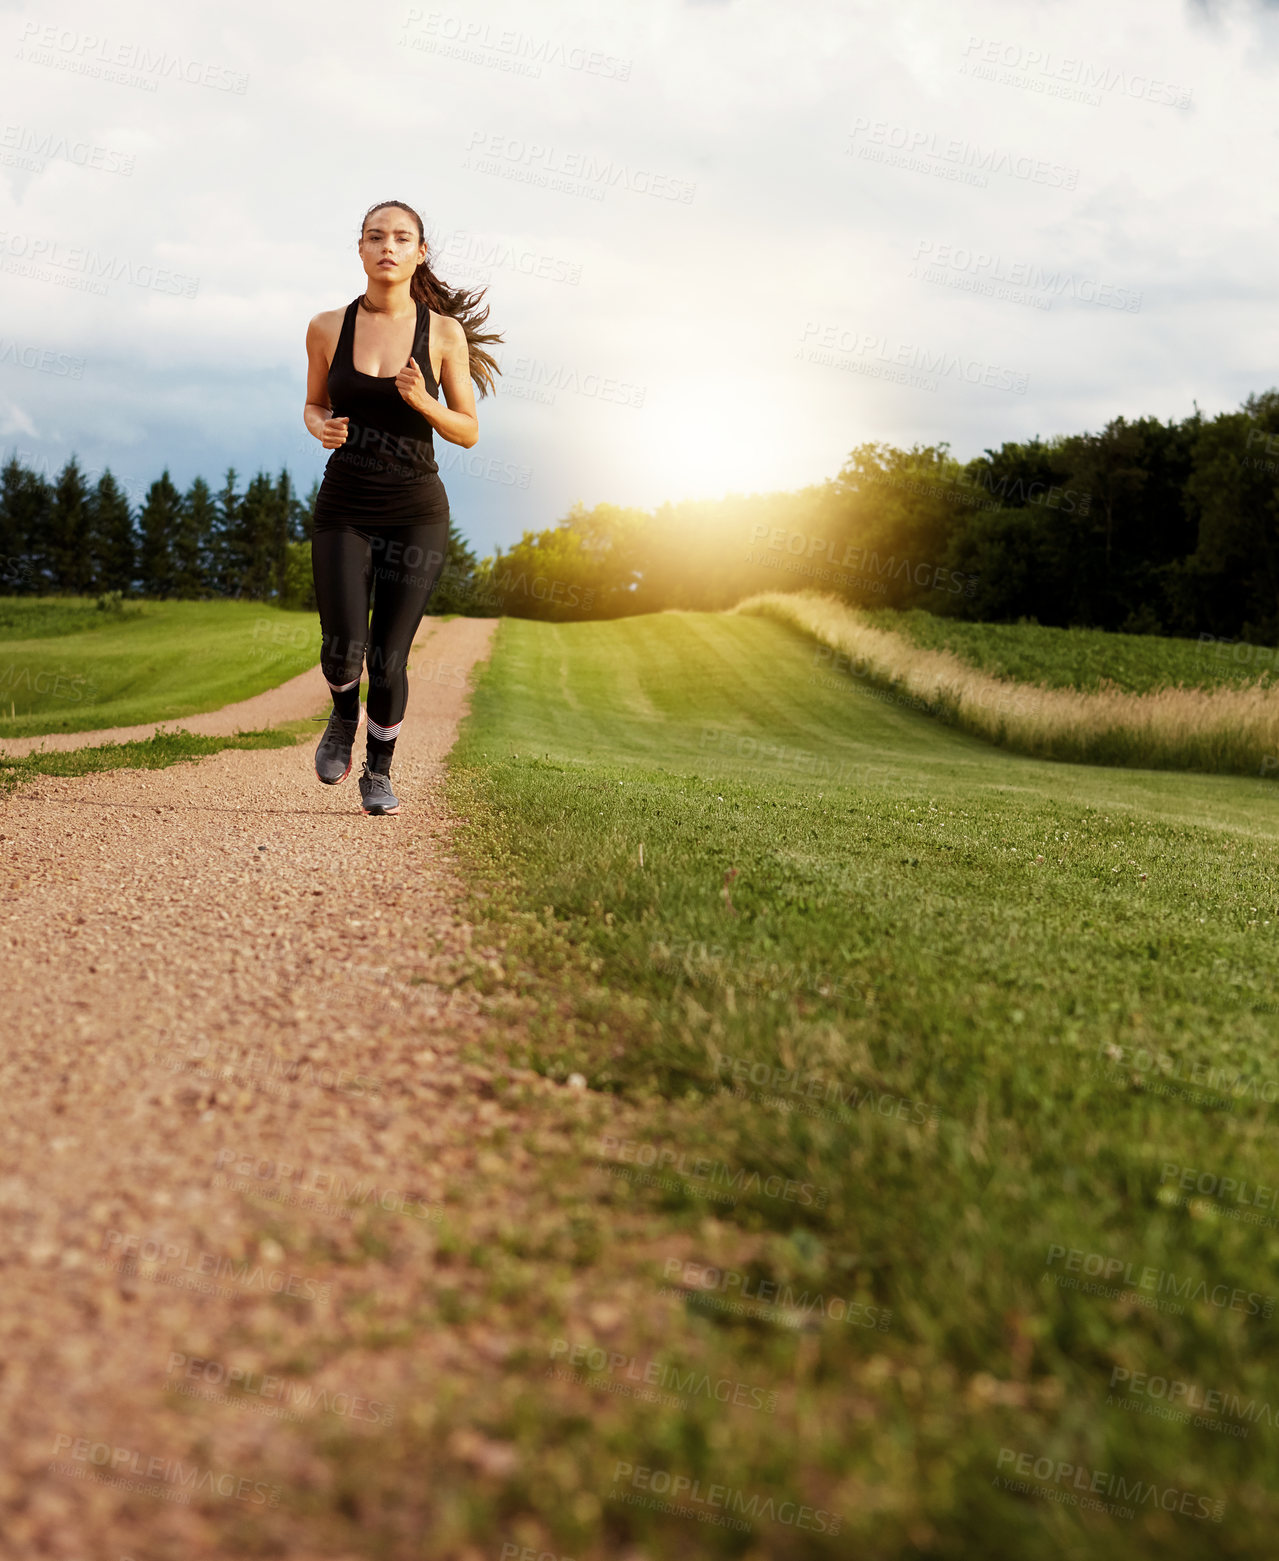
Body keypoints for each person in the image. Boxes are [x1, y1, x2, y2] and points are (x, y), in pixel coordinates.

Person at [302, 199, 502, 814]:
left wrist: (425, 403)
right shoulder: (326, 327)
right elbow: (313, 404)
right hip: (345, 505)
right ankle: (342, 714)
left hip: (415, 510)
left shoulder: (443, 334)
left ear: (420, 253)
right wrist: (320, 428)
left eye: (401, 238)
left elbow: (467, 429)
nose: (387, 246)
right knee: (343, 646)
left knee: (388, 655)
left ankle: (378, 769)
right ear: (360, 250)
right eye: (374, 237)